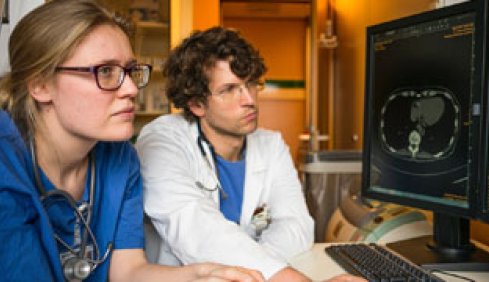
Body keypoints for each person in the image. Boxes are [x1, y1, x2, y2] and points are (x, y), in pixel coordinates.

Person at [0, 1, 264, 281]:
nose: (130, 89)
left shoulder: (120, 160)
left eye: (130, 71)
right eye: (105, 72)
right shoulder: (6, 166)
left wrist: (200, 274)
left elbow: (127, 270)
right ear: (40, 84)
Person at [136, 27, 366, 282]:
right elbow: (194, 227)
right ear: (196, 104)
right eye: (229, 89)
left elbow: (297, 224)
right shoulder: (162, 140)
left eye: (251, 84)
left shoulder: (271, 145)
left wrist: (257, 266)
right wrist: (278, 275)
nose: (249, 100)